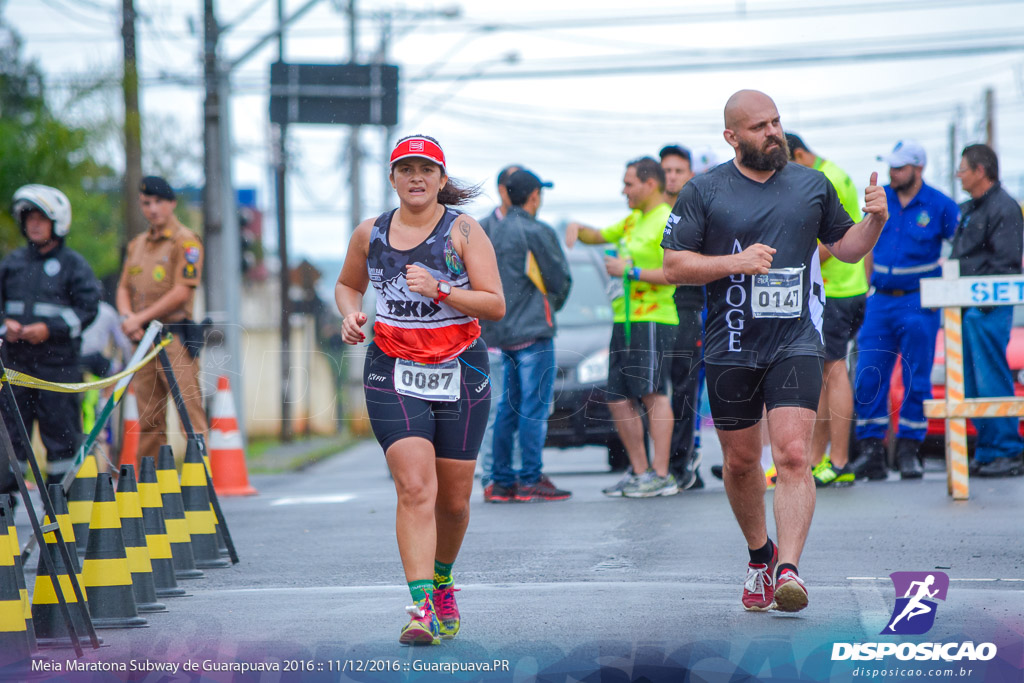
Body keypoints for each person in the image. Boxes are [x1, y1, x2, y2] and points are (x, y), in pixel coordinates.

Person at [661, 90, 888, 613]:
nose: (773, 132)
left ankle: (789, 569)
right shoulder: (704, 190)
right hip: (731, 342)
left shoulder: (811, 184)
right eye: (760, 126)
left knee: (790, 455)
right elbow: (675, 265)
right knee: (741, 464)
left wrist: (874, 221)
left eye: (777, 121)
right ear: (732, 136)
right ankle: (759, 556)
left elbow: (847, 246)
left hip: (795, 340)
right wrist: (732, 264)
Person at [335, 135, 504, 645]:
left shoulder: (465, 231)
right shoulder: (371, 234)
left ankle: (443, 577)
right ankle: (421, 607)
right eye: (406, 169)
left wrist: (442, 289)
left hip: (460, 367)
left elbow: (495, 304)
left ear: (441, 179)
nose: (416, 177)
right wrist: (351, 316)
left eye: (426, 169)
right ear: (392, 179)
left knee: (453, 501)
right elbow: (347, 285)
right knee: (415, 488)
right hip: (392, 366)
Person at [565, 157, 679, 498]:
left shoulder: (667, 220)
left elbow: (676, 273)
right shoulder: (632, 219)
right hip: (624, 319)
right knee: (616, 396)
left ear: (650, 184)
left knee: (653, 394)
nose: (623, 190)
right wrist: (576, 227)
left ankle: (662, 474)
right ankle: (639, 471)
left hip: (654, 317)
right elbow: (597, 235)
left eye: (629, 184)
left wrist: (629, 272)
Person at [850, 141, 959, 480]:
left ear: (918, 168)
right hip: (880, 300)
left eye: (899, 167)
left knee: (917, 377)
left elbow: (961, 250)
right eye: (891, 167)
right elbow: (865, 242)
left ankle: (911, 450)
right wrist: (867, 289)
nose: (892, 173)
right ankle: (872, 453)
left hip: (919, 300)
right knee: (868, 374)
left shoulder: (941, 205)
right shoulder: (879, 197)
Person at [0, 184, 101, 488]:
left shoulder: (74, 265)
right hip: (15, 369)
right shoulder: (12, 264)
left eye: (41, 217)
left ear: (58, 221)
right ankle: (5, 516)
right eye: (29, 217)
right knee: (9, 443)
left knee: (62, 442)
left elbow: (87, 309)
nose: (34, 224)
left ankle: (64, 510)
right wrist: (6, 325)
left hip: (57, 369)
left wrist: (48, 329)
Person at [786, 133, 868, 488]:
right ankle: (820, 459)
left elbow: (831, 244)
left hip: (837, 291)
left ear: (800, 155)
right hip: (844, 288)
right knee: (822, 374)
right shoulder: (829, 173)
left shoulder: (825, 179)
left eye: (786, 165)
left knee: (834, 372)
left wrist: (785, 265)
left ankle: (839, 460)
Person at [486, 169, 572, 502]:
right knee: (533, 409)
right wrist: (550, 306)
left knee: (506, 409)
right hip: (533, 333)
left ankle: (502, 481)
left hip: (497, 333)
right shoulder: (537, 231)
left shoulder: (486, 231)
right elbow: (559, 280)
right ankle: (531, 478)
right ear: (534, 196)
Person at [116, 176, 208, 461]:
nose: (152, 209)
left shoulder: (186, 242)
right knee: (149, 420)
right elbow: (123, 288)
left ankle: (201, 485)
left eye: (158, 202)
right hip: (143, 340)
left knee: (189, 416)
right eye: (146, 203)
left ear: (172, 204)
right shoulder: (137, 245)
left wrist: (139, 318)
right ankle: (150, 492)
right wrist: (128, 317)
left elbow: (181, 293)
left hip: (173, 338)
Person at [951, 143, 1024, 477]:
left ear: (980, 171)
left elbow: (1006, 262)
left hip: (987, 306)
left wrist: (982, 303)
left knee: (991, 376)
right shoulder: (972, 208)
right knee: (972, 382)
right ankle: (987, 448)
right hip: (967, 307)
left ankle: (1006, 449)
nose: (958, 175)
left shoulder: (1004, 208)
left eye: (963, 169)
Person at [659, 144, 705, 489]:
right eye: (666, 171)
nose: (671, 176)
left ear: (689, 174)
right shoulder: (650, 213)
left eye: (677, 170)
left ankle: (684, 463)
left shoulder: (696, 208)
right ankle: (658, 464)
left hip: (689, 307)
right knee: (655, 390)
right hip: (655, 313)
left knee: (686, 389)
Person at [477, 164, 522, 500]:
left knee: (530, 407)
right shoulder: (479, 231)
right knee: (495, 408)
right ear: (505, 192)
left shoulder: (532, 228)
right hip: (491, 338)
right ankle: (493, 475)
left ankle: (518, 474)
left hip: (527, 336)